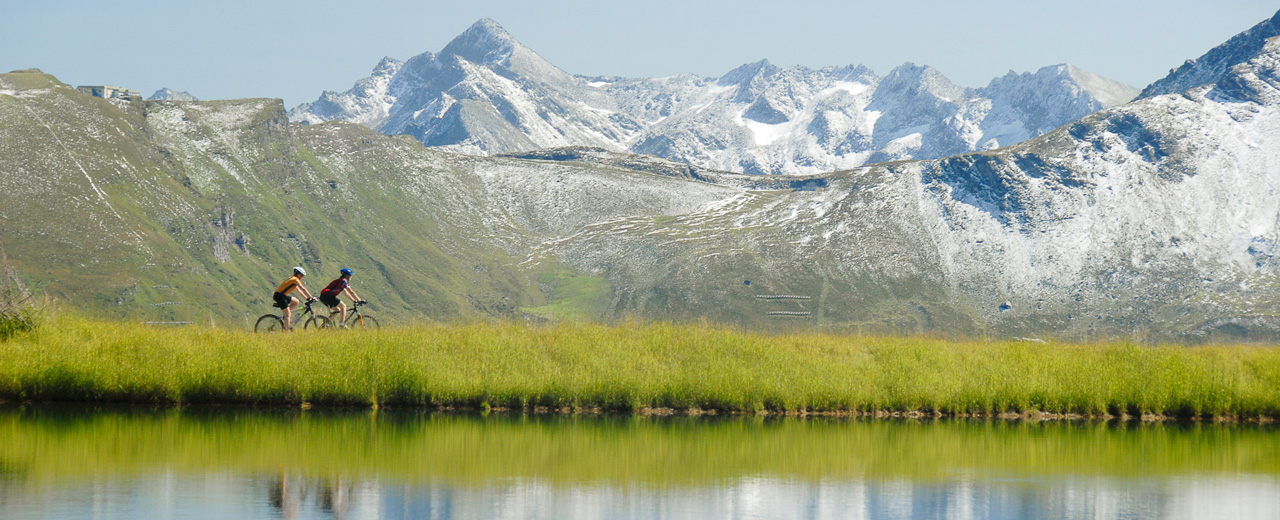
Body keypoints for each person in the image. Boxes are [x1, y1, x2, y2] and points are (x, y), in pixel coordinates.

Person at [273, 266, 315, 331]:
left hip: (282, 295)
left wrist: (307, 298)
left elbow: (300, 291)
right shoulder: (295, 279)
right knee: (287, 314)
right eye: (301, 275)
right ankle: (287, 331)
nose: (302, 277)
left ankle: (286, 315)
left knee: (296, 301)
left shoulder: (293, 280)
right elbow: (303, 289)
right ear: (298, 274)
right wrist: (311, 297)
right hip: (279, 296)